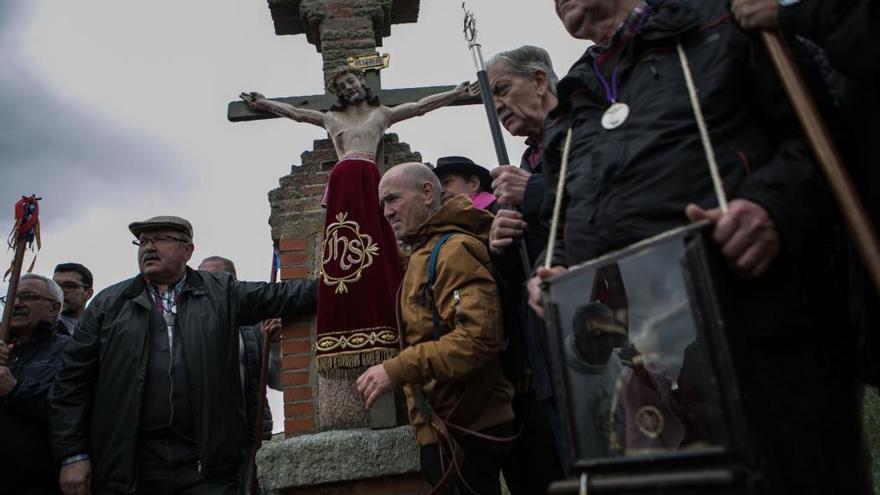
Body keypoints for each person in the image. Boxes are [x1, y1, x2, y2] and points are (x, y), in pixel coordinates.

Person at [528, 0, 868, 493]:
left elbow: (820, 136)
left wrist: (770, 207)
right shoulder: (575, 97)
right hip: (643, 365)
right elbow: (560, 219)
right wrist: (551, 270)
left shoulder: (722, 25)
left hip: (759, 337)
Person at [49, 216, 318, 495]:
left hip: (205, 465)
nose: (148, 248)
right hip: (131, 464)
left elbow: (283, 295)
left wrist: (339, 284)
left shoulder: (221, 292)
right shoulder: (108, 304)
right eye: (142, 241)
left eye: (160, 239)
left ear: (188, 250)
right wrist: (73, 455)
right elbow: (71, 382)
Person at [356, 163, 514, 494]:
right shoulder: (423, 252)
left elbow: (478, 339)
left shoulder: (454, 249)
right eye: (382, 204)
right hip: (445, 428)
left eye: (393, 199)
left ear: (427, 193)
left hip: (469, 428)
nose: (386, 212)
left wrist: (396, 369)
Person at [197, 255, 282, 495]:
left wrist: (274, 345)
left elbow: (279, 381)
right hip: (204, 444)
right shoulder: (184, 327)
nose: (207, 285)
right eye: (202, 279)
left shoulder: (253, 325)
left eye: (215, 278)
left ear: (233, 283)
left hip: (251, 440)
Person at [486, 45, 559, 261]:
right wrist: (501, 246)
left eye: (503, 89)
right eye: (490, 101)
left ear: (539, 82)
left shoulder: (588, 129)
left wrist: (533, 190)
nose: (497, 107)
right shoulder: (526, 163)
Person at [0, 274, 69, 494]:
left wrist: (15, 389)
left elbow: (68, 409)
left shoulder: (71, 351)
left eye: (27, 297)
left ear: (54, 308)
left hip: (39, 480)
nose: (17, 303)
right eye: (11, 297)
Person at [432, 155, 498, 212]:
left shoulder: (500, 209)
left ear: (474, 184)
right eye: (438, 186)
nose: (441, 190)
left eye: (447, 182)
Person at [53, 263, 94, 336]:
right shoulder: (39, 326)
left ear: (88, 293)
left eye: (69, 286)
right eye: (55, 285)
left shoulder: (100, 329)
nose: (60, 291)